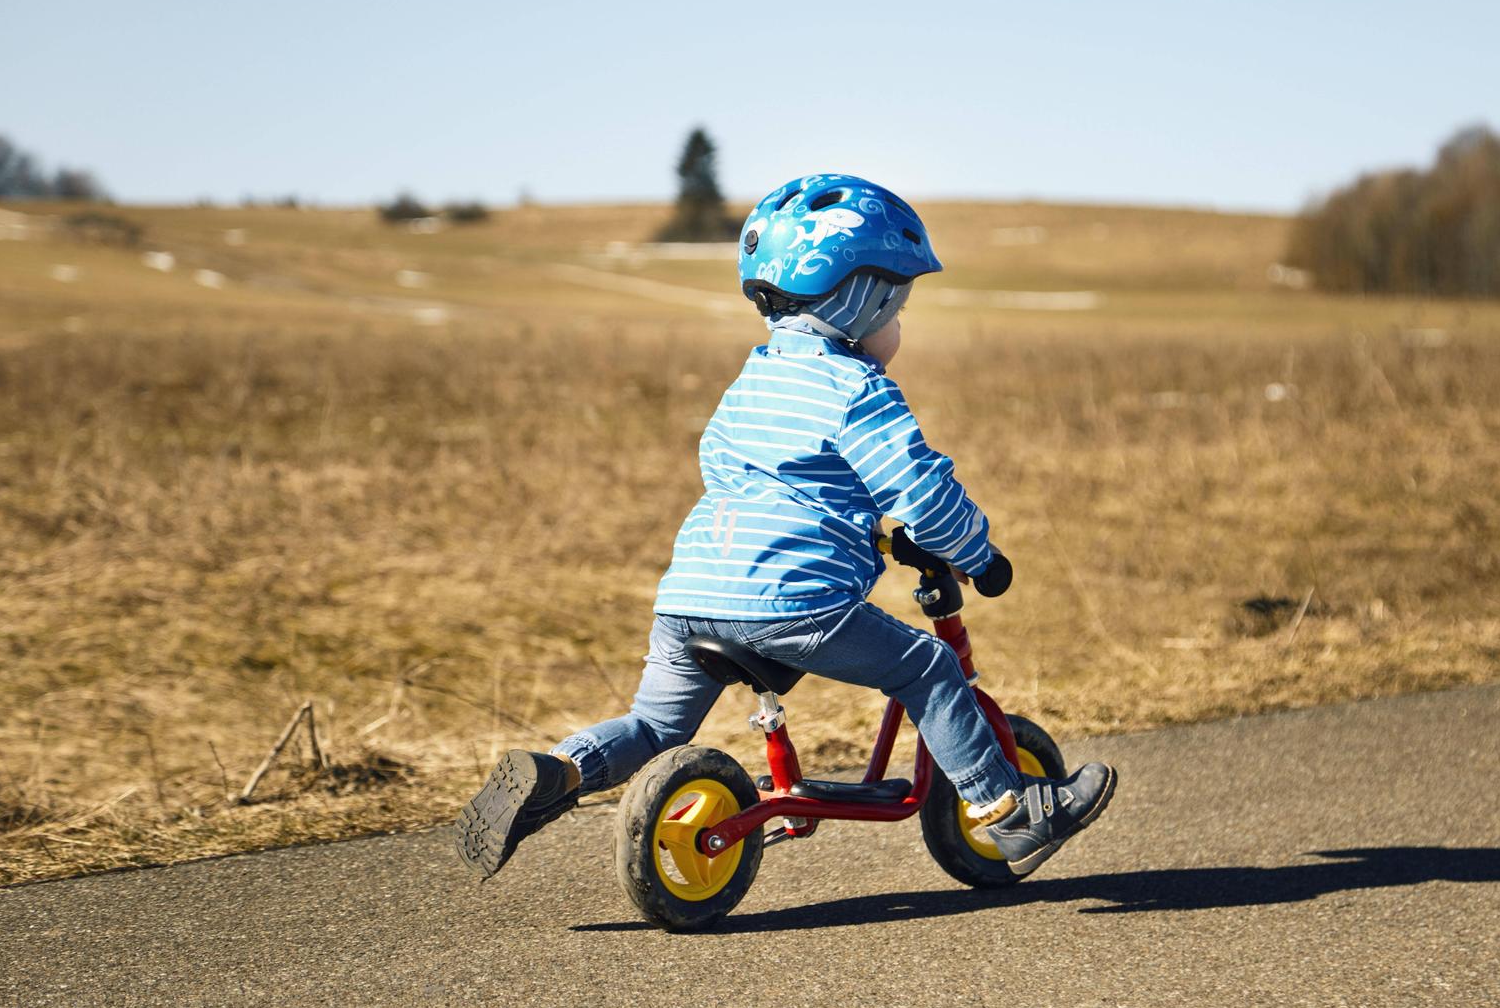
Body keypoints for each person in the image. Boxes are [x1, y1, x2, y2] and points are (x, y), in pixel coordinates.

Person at [454, 174, 1116, 881]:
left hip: (690, 597)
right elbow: (920, 488)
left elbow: (737, 469)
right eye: (898, 304)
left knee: (653, 729)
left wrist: (867, 532)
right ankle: (1010, 813)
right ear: (860, 299)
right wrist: (978, 556)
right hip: (792, 605)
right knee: (929, 668)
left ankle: (559, 770)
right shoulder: (858, 390)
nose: (901, 325)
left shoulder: (754, 380)